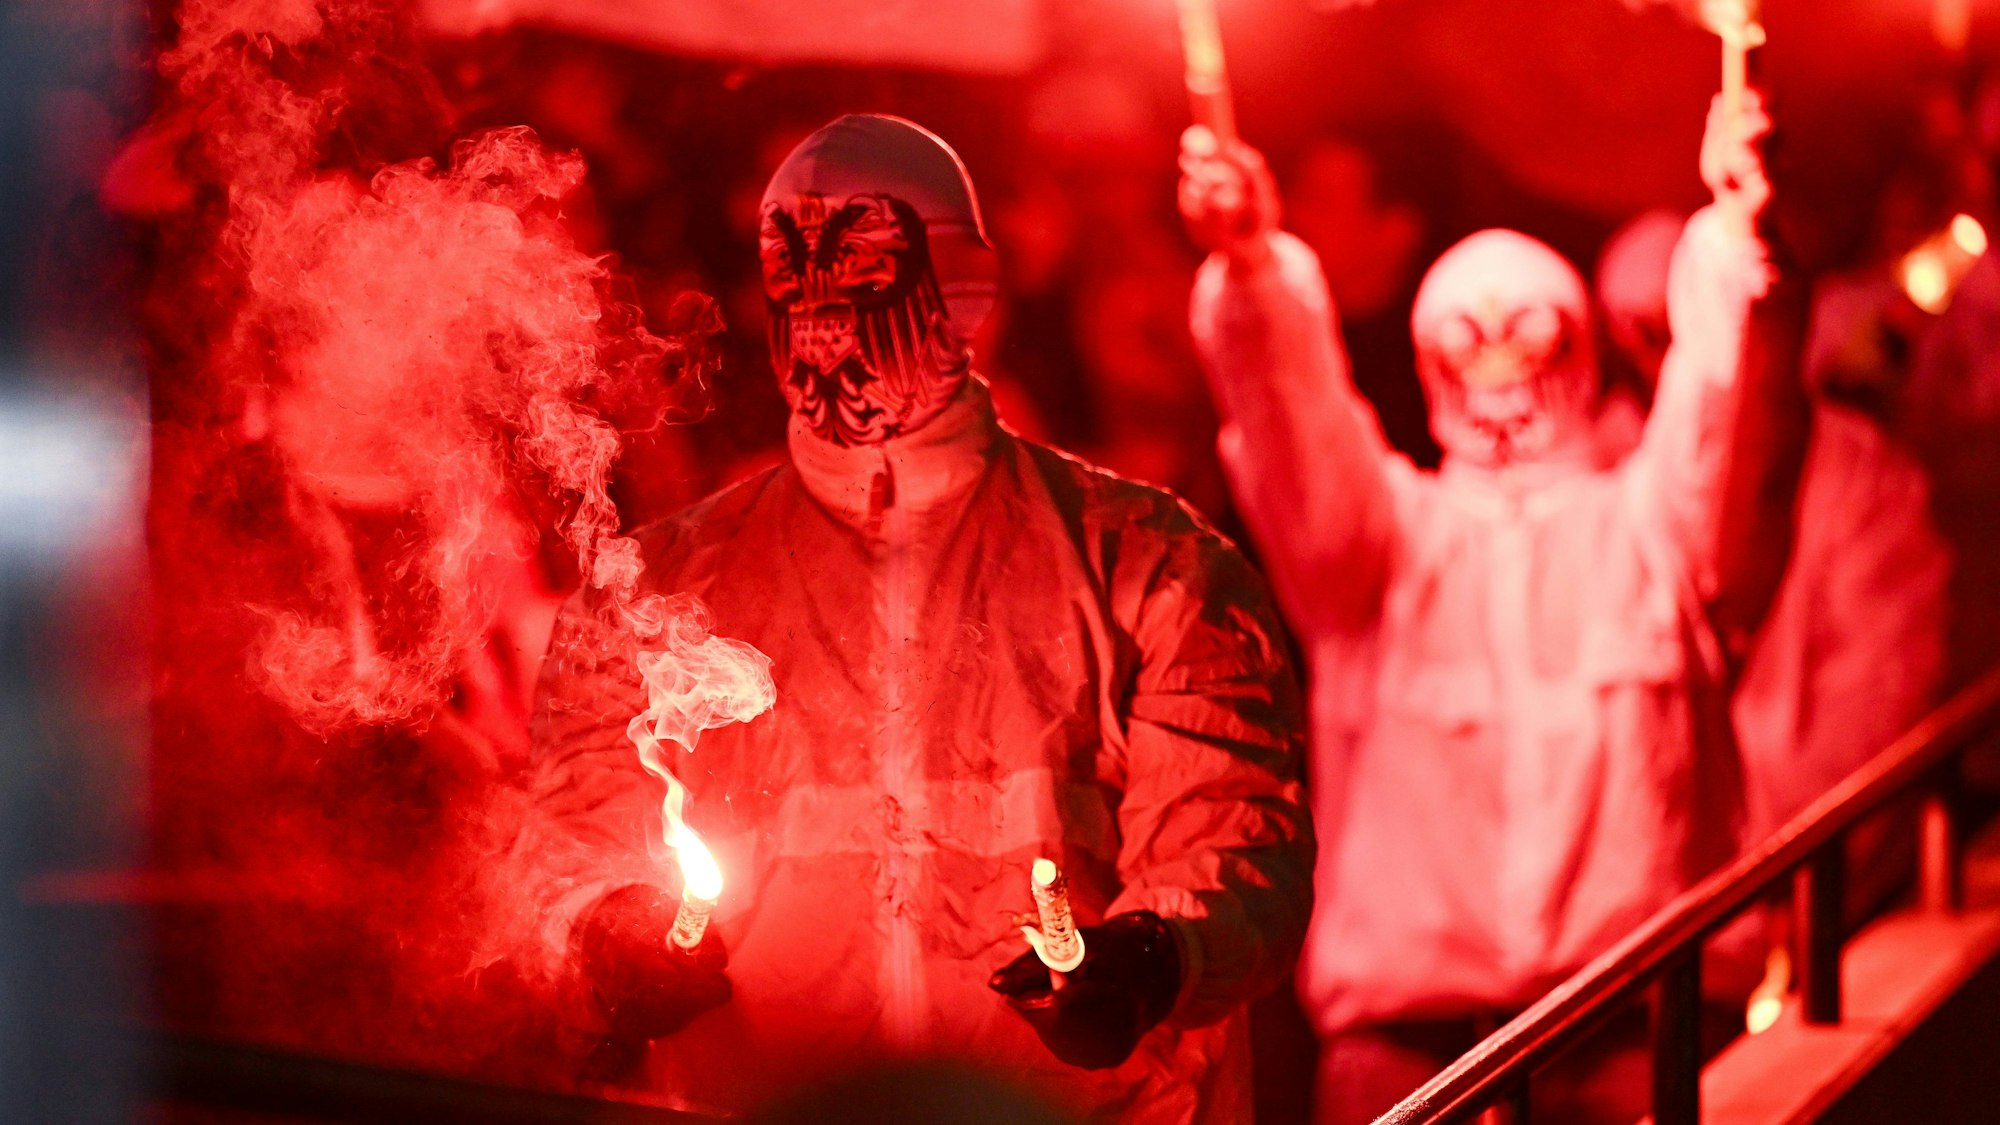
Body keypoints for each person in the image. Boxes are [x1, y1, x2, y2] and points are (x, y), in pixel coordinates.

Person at [512, 114, 1314, 1122]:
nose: (822, 304)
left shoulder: (1150, 565)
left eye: (859, 258)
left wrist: (1158, 955)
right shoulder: (661, 586)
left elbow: (1231, 839)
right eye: (788, 262)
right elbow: (570, 844)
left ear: (965, 286)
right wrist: (602, 936)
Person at [1179, 91, 1807, 1123]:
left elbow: (1728, 415)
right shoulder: (1379, 552)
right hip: (1413, 1054)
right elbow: (1293, 428)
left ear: (1580, 351)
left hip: (1632, 1033)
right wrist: (1252, 270)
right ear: (1428, 365)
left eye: (1529, 339)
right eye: (1465, 346)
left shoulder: (1652, 535)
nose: (1500, 374)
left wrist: (1741, 238)